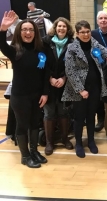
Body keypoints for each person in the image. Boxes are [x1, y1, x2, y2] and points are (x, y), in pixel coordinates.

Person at [62, 20, 107, 158]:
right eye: (82, 32)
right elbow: (70, 71)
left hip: (95, 88)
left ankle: (91, 141)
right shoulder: (71, 48)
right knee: (79, 118)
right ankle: (79, 144)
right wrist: (81, 90)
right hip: (79, 90)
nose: (86, 34)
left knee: (91, 116)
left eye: (88, 31)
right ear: (77, 33)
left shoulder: (94, 43)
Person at [0, 11, 49, 168]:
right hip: (20, 96)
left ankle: (34, 151)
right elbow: (1, 44)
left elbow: (45, 74)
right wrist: (2, 29)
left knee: (35, 124)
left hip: (37, 95)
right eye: (24, 30)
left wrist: (45, 93)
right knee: (22, 125)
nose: (28, 33)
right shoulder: (14, 50)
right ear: (19, 32)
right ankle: (25, 155)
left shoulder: (41, 50)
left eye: (31, 30)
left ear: (35, 32)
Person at [42, 17, 75, 155]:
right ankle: (49, 142)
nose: (61, 28)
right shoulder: (45, 42)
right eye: (59, 26)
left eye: (64, 26)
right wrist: (49, 78)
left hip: (65, 84)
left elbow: (74, 64)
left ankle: (64, 138)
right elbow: (40, 62)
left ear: (68, 29)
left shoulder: (73, 43)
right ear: (55, 28)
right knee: (49, 113)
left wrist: (64, 78)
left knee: (64, 113)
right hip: (48, 84)